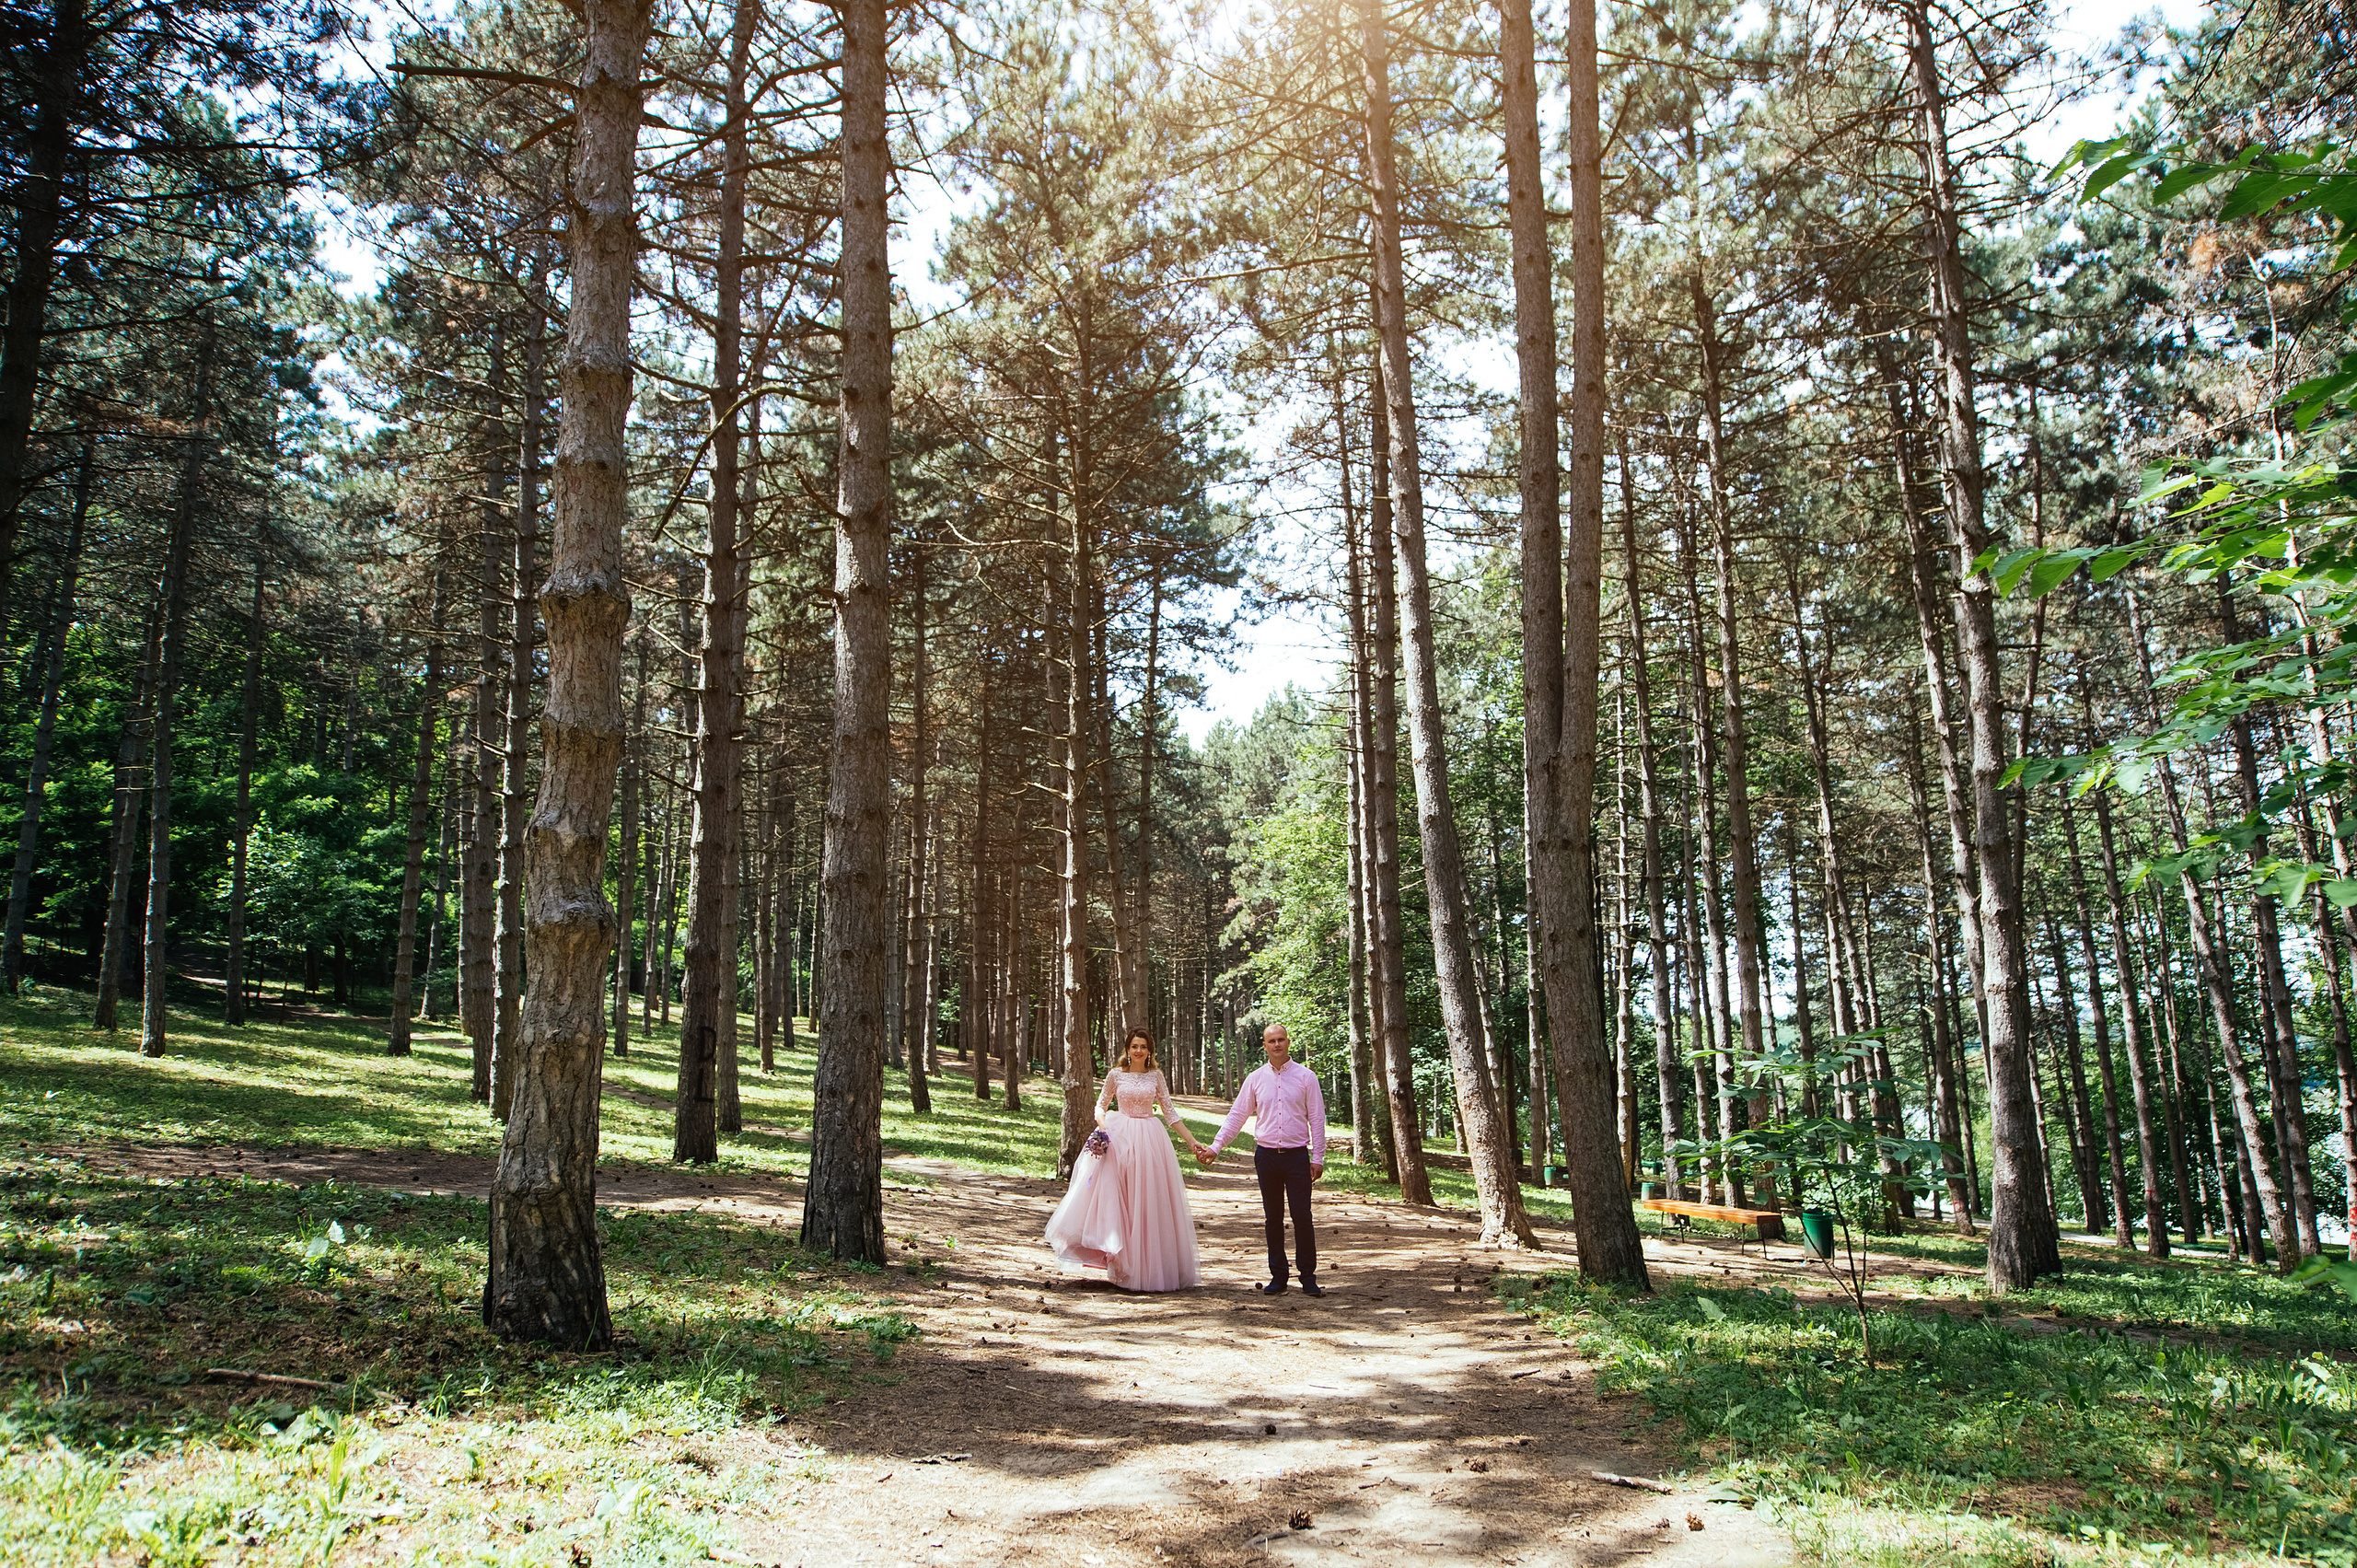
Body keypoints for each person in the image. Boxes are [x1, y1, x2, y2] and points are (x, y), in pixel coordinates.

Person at [1044, 1028, 1205, 1291]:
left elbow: (1170, 1113)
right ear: (1127, 1050)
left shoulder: (1156, 1077)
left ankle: (1148, 1268)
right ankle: (1121, 1262)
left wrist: (1191, 1141)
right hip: (1119, 1137)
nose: (1138, 1050)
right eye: (1134, 1046)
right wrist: (1103, 1126)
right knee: (1122, 1199)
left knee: (1146, 1201)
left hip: (1150, 1139)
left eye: (1143, 1046)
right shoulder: (1115, 1075)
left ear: (1149, 1050)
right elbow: (1101, 1104)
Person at [1199, 1022, 1326, 1296]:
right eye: (1272, 1041)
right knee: (1273, 1218)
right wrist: (1216, 1146)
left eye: (1281, 1040)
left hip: (1296, 1157)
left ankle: (1308, 1277)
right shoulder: (1255, 1079)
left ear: (1288, 1042)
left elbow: (1316, 1119)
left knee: (1302, 1216)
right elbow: (1237, 1116)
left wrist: (1318, 1157)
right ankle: (1278, 1276)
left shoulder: (1306, 1077)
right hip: (1266, 1156)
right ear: (1265, 1045)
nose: (1277, 1045)